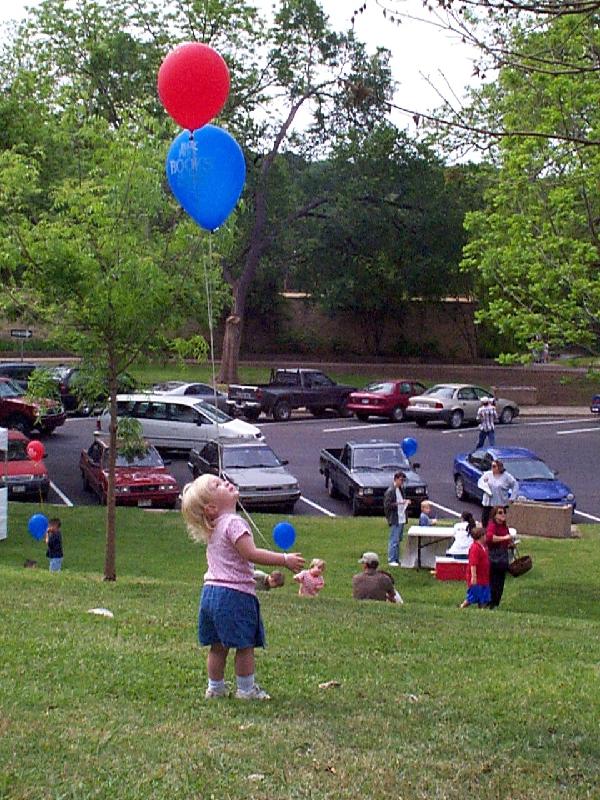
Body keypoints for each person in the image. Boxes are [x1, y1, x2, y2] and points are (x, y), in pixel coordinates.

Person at [181, 474, 304, 701]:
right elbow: (251, 553)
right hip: (235, 595)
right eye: (217, 485)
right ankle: (246, 690)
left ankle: (215, 688)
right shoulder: (234, 522)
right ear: (211, 508)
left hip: (210, 594)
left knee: (217, 646)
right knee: (245, 645)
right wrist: (284, 559)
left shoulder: (214, 528)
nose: (225, 482)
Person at [485, 506, 515, 609]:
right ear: (495, 515)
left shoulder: (504, 527)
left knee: (500, 582)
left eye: (504, 513)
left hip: (503, 556)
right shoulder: (492, 525)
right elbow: (489, 538)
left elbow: (506, 539)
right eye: (500, 513)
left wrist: (510, 543)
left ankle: (496, 603)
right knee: (493, 581)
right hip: (494, 556)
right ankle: (490, 602)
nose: (503, 515)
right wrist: (504, 538)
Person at [479, 458, 519, 529]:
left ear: (499, 467)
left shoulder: (506, 477)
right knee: (485, 521)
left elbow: (515, 484)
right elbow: (481, 482)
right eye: (492, 466)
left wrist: (512, 497)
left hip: (500, 504)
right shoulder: (488, 474)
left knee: (499, 522)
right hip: (488, 503)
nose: (492, 468)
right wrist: (485, 484)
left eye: (494, 466)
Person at [460, 525, 491, 608]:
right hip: (477, 577)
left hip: (484, 576)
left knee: (484, 595)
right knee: (474, 594)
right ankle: (463, 606)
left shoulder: (484, 547)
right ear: (480, 537)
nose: (486, 537)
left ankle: (482, 608)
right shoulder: (475, 548)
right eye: (484, 535)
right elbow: (473, 563)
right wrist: (474, 576)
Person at [383, 471, 410, 567]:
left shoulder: (401, 490)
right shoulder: (390, 491)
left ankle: (396, 558)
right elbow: (387, 505)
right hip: (395, 518)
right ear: (396, 479)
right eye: (401, 480)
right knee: (393, 540)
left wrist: (404, 502)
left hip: (401, 517)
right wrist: (399, 504)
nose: (402, 482)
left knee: (398, 540)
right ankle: (391, 559)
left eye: (403, 480)